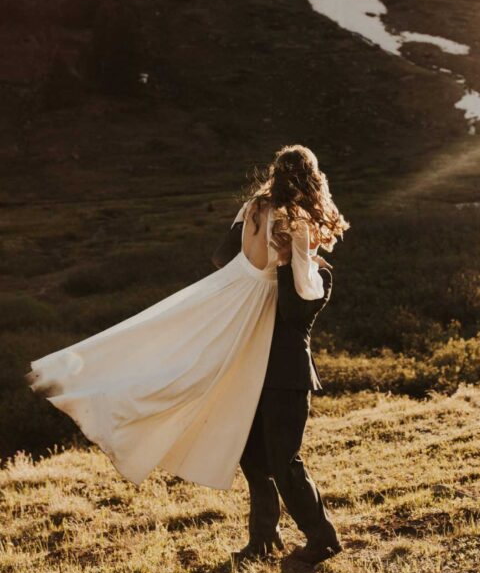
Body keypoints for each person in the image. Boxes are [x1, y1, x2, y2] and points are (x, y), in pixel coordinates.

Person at [25, 145, 350, 503]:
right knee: (217, 406)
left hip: (232, 292)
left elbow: (221, 255)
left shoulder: (254, 206)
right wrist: (305, 269)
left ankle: (89, 388)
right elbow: (300, 290)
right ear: (311, 180)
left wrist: (243, 276)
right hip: (254, 309)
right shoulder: (297, 223)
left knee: (166, 352)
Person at [212, 203, 340, 565]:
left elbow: (292, 313)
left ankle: (323, 538)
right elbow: (222, 256)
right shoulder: (261, 272)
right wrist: (248, 217)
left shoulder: (319, 275)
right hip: (251, 372)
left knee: (285, 462)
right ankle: (265, 539)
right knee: (252, 458)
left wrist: (285, 262)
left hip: (286, 376)